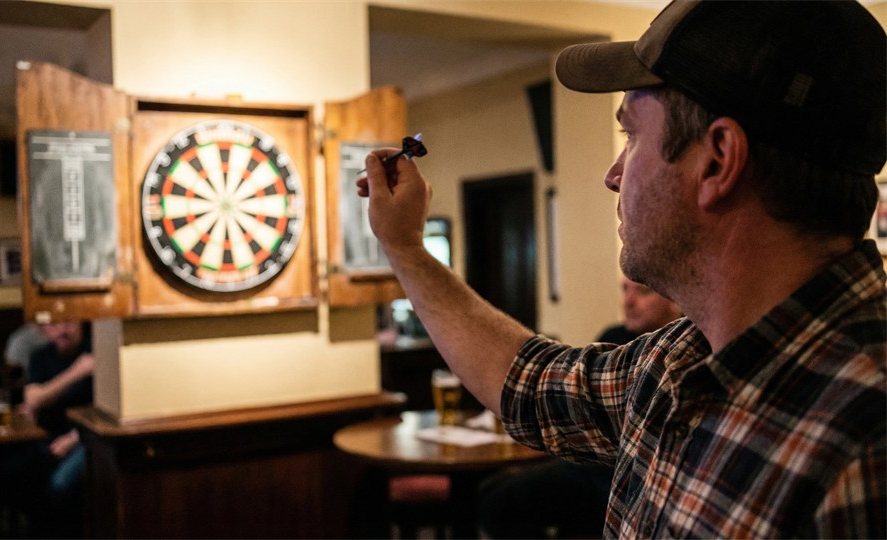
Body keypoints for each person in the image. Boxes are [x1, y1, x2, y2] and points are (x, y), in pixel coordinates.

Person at [357, 1, 885, 537]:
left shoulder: (863, 443)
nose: (612, 175)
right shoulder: (678, 360)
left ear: (718, 160)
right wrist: (406, 247)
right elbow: (527, 383)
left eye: (631, 136)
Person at [479, 279, 680, 539]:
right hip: (589, 462)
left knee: (500, 502)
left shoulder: (682, 354)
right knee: (491, 488)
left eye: (642, 291)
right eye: (624, 289)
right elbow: (583, 410)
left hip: (627, 476)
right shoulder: (614, 338)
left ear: (674, 302)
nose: (628, 301)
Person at [4, 320, 93, 539]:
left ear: (80, 324)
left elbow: (101, 411)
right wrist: (77, 372)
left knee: (58, 484)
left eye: (68, 324)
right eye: (54, 325)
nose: (61, 330)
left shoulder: (94, 351)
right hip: (47, 437)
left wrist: (75, 438)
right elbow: (32, 399)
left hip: (85, 439)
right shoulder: (42, 356)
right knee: (13, 472)